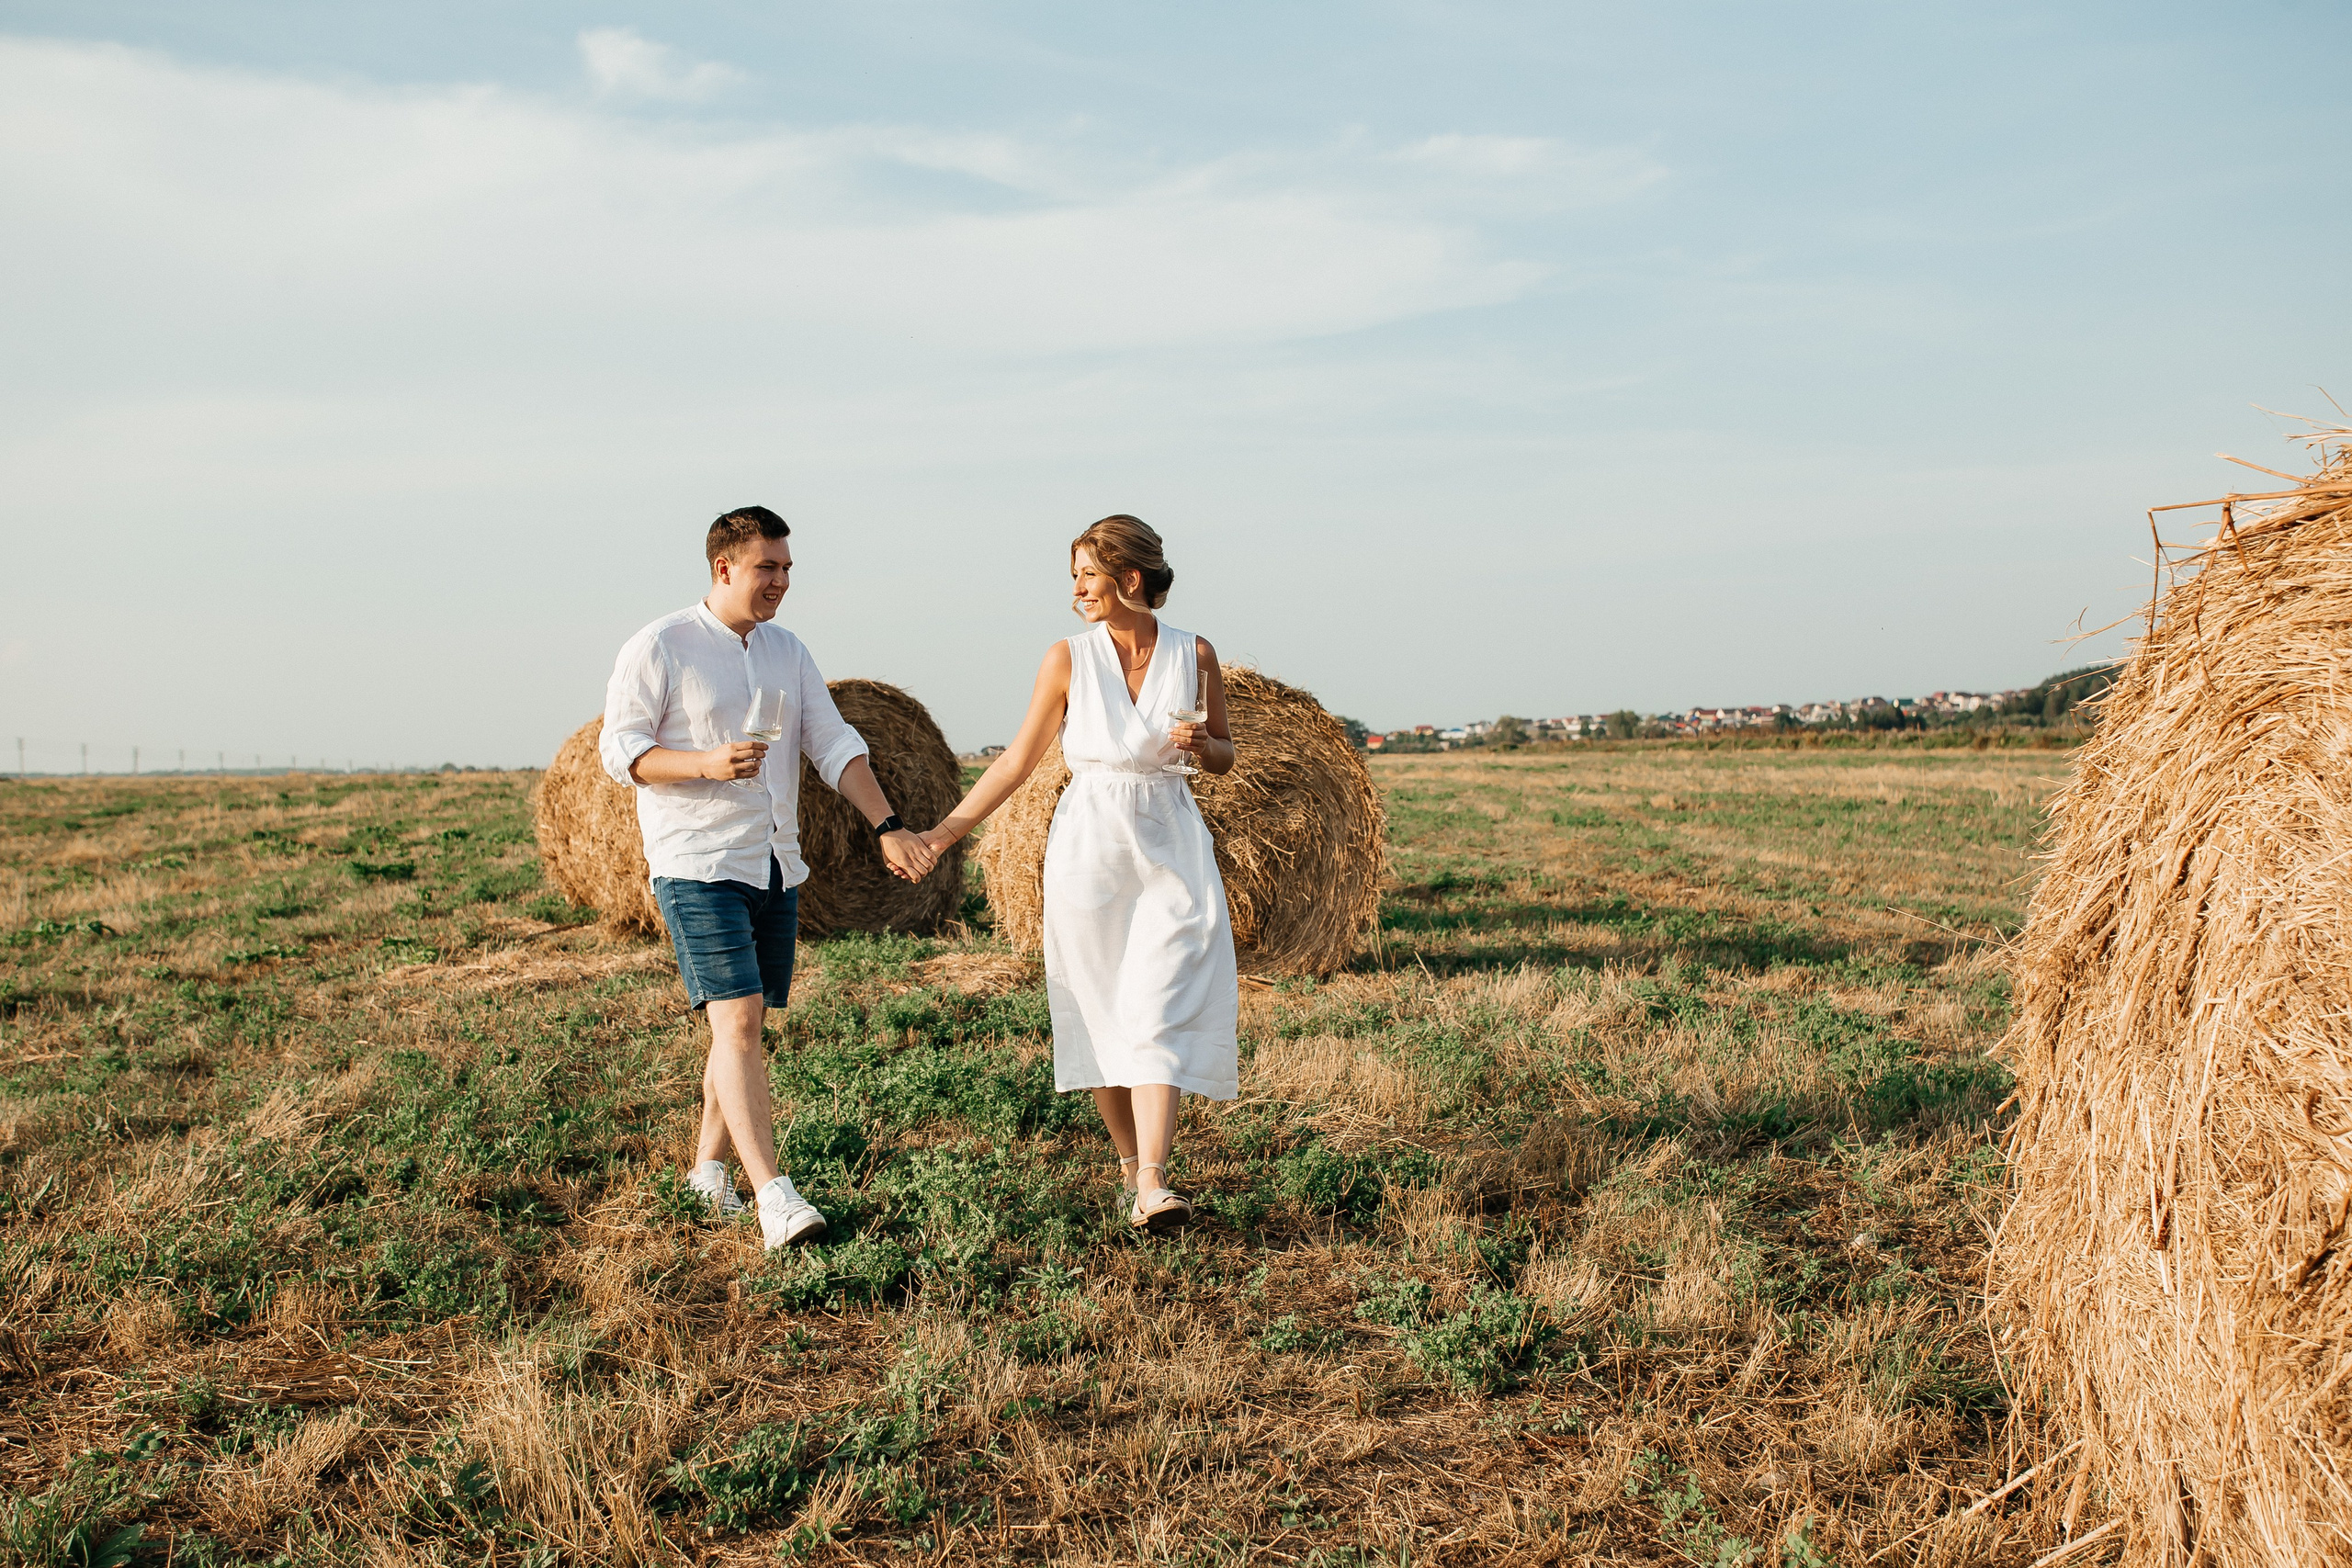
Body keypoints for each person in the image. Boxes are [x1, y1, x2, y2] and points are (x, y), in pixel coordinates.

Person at [601, 506, 937, 1249]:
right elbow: (619, 750)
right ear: (724, 567)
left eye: (786, 569)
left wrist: (887, 827)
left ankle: (706, 1172)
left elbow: (833, 744)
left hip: (777, 861)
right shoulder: (662, 645)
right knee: (741, 1019)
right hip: (698, 862)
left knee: (740, 1027)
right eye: (767, 568)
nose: (781, 582)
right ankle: (773, 1197)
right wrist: (704, 764)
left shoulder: (787, 650)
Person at [920, 514, 1238, 1231]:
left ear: (1129, 577)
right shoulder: (1067, 658)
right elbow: (1015, 761)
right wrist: (943, 835)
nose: (1076, 591)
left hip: (1171, 840)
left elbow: (1224, 753)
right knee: (1101, 1010)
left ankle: (1154, 1178)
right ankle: (1134, 1170)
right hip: (1090, 844)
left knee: (1161, 1001)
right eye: (1074, 577)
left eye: (1086, 576)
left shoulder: (1196, 652)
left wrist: (1201, 743)